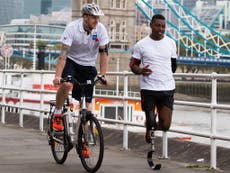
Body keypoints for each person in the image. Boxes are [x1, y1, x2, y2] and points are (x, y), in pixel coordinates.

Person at [52, 3, 109, 131]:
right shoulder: (72, 28)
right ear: (85, 17)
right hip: (72, 62)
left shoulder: (100, 29)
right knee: (66, 84)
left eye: (98, 18)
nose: (96, 20)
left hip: (88, 65)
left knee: (88, 105)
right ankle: (58, 112)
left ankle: (83, 138)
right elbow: (63, 54)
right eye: (93, 17)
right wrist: (57, 76)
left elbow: (104, 53)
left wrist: (103, 75)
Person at [129, 14, 177, 143]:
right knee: (150, 122)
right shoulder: (141, 45)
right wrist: (141, 71)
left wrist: (164, 74)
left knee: (166, 125)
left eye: (163, 26)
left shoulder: (171, 43)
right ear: (151, 26)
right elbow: (133, 65)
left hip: (167, 88)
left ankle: (151, 127)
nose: (160, 29)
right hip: (148, 88)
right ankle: (149, 127)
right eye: (157, 25)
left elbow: (173, 66)